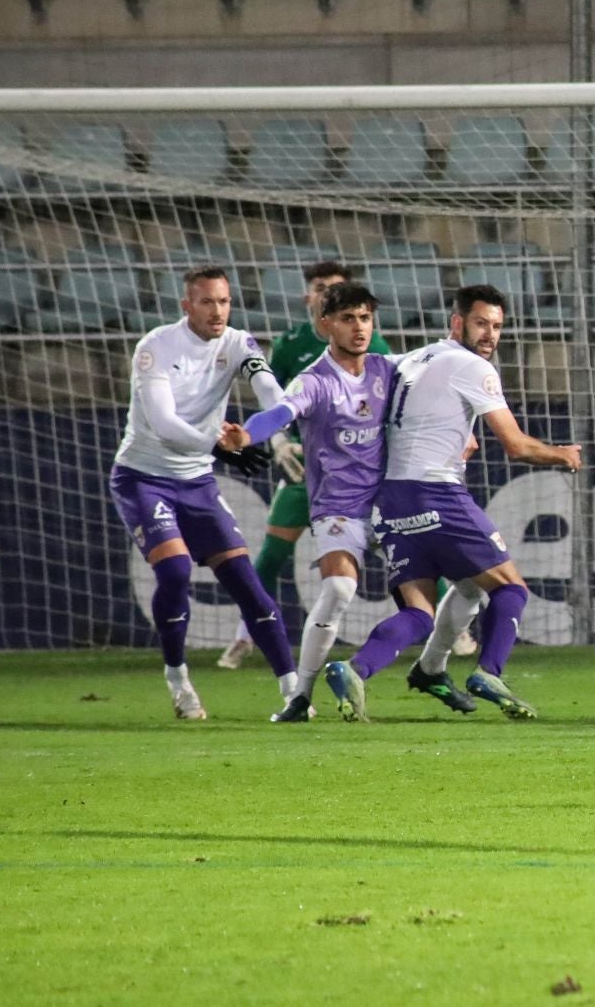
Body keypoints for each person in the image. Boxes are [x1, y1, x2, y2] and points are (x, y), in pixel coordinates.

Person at [325, 286, 580, 723]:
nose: (490, 334)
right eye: (481, 324)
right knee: (510, 588)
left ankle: (360, 669)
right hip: (436, 494)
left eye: (497, 326)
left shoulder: (411, 360)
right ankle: (489, 673)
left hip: (390, 500)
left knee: (425, 609)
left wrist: (457, 433)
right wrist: (563, 455)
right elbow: (516, 445)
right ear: (457, 322)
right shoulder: (474, 367)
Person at [241, 283, 474, 722]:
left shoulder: (387, 369)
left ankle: (434, 668)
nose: (359, 327)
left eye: (365, 318)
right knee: (338, 589)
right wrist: (247, 434)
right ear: (326, 324)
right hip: (339, 508)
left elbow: (433, 378)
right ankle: (299, 697)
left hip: (391, 506)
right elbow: (280, 413)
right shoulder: (314, 381)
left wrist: (463, 430)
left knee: (454, 592)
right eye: (348, 318)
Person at [109, 266, 298, 720]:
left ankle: (295, 692)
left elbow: (270, 391)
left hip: (197, 481)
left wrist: (260, 434)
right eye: (207, 302)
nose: (218, 311)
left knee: (247, 585)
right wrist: (216, 446)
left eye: (224, 302)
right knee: (175, 570)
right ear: (187, 305)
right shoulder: (156, 347)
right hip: (144, 477)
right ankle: (178, 680)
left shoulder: (238, 343)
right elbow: (163, 422)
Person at [218, 260, 390, 671]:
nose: (358, 325)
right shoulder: (297, 353)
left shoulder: (381, 357)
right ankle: (247, 637)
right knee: (275, 558)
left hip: (372, 480)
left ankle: (450, 632)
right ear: (314, 302)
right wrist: (268, 439)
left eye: (363, 316)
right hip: (310, 472)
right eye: (323, 289)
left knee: (419, 550)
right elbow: (277, 404)